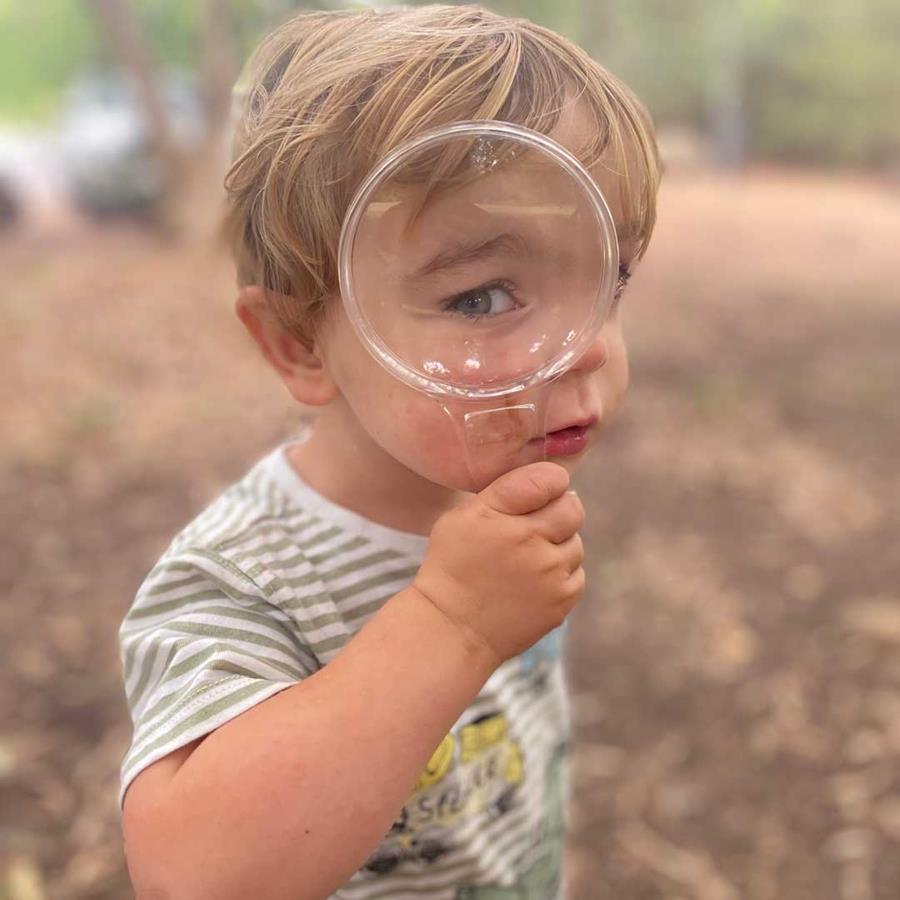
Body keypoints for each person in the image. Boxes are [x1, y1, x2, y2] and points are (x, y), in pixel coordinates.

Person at [117, 5, 660, 898]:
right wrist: (453, 624)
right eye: (484, 298)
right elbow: (191, 875)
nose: (589, 346)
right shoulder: (246, 577)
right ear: (300, 345)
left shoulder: (485, 497)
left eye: (610, 276)